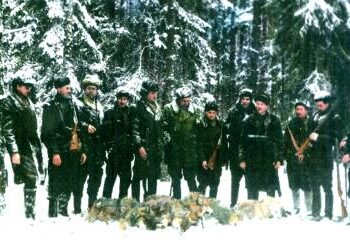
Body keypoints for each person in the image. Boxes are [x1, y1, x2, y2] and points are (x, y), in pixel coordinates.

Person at [41, 76, 87, 217]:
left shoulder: (74, 105)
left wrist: (83, 149)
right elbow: (47, 133)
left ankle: (63, 211)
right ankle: (53, 215)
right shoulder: (50, 107)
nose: (69, 90)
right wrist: (54, 153)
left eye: (69, 87)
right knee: (55, 181)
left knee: (69, 180)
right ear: (58, 88)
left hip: (72, 150)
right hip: (58, 150)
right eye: (66, 87)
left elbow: (79, 129)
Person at [1, 77, 43, 219]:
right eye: (26, 87)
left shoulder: (28, 101)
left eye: (30, 87)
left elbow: (32, 127)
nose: (29, 89)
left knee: (31, 177)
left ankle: (30, 210)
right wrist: (14, 152)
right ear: (18, 86)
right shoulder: (8, 102)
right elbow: (7, 129)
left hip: (26, 144)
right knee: (4, 177)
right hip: (14, 145)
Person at [308, 91, 344, 221]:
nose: (318, 105)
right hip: (313, 155)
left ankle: (328, 213)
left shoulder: (334, 116)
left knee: (327, 186)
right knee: (315, 185)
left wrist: (318, 137)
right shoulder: (315, 116)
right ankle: (315, 212)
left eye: (321, 102)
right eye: (317, 102)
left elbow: (336, 137)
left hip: (326, 156)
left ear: (327, 102)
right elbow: (309, 132)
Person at [239, 93, 284, 200]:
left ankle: (269, 213)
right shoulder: (248, 120)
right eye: (257, 103)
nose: (259, 106)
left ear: (267, 106)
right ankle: (253, 214)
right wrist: (242, 159)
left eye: (262, 104)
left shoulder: (274, 121)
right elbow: (242, 142)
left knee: (270, 190)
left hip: (269, 160)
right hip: (252, 160)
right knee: (252, 189)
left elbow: (280, 142)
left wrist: (279, 159)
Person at [163, 86, 201, 199]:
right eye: (184, 100)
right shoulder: (168, 109)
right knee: (175, 179)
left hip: (189, 151)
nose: (186, 103)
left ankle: (196, 202)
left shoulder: (196, 110)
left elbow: (199, 129)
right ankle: (176, 202)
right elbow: (164, 128)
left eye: (188, 100)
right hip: (174, 150)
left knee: (191, 178)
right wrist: (168, 140)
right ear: (178, 99)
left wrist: (195, 142)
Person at [102, 89, 137, 200]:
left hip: (126, 152)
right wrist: (110, 147)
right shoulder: (110, 113)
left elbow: (133, 131)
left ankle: (122, 203)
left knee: (126, 179)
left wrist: (131, 147)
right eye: (120, 99)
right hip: (114, 152)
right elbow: (106, 133)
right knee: (110, 178)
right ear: (116, 99)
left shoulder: (131, 113)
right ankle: (105, 203)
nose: (122, 101)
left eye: (124, 99)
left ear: (127, 100)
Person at [77, 74, 105, 211]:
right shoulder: (77, 103)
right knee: (80, 177)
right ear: (84, 89)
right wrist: (85, 126)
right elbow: (73, 122)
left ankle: (91, 206)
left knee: (95, 178)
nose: (91, 91)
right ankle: (76, 207)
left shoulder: (99, 106)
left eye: (94, 88)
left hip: (97, 148)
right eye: (89, 88)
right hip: (83, 145)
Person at [132, 81, 163, 201]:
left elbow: (161, 127)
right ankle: (135, 202)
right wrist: (139, 146)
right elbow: (134, 129)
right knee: (138, 177)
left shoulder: (157, 108)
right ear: (146, 93)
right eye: (152, 93)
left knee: (153, 177)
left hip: (155, 148)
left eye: (156, 93)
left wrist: (163, 140)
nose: (155, 96)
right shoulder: (138, 107)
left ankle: (151, 203)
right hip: (143, 148)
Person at [225, 88, 255, 207]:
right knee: (235, 180)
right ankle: (233, 203)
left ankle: (251, 204)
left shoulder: (255, 111)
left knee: (251, 180)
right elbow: (226, 126)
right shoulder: (233, 111)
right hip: (235, 150)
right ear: (240, 99)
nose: (245, 101)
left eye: (247, 99)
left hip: (250, 151)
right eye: (243, 99)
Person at [284, 101, 312, 215]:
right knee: (294, 184)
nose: (298, 111)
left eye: (301, 109)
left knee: (308, 185)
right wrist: (289, 155)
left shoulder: (311, 123)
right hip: (293, 159)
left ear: (306, 110)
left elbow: (314, 142)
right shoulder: (291, 124)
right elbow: (285, 142)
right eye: (297, 109)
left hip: (308, 159)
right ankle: (296, 207)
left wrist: (306, 153)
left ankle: (310, 209)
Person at [197, 101, 228, 198]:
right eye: (209, 112)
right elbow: (198, 144)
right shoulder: (200, 125)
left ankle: (211, 205)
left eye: (214, 112)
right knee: (202, 184)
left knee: (215, 184)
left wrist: (224, 159)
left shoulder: (221, 125)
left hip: (217, 160)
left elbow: (224, 143)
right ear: (205, 112)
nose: (212, 115)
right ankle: (200, 207)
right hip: (204, 159)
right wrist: (202, 159)